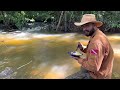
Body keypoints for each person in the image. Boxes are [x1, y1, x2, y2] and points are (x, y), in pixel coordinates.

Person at [66, 14, 114, 79]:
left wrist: (78, 59)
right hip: (104, 72)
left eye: (87, 26)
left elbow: (94, 67)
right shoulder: (97, 34)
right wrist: (82, 48)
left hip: (99, 76)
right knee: (83, 67)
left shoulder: (96, 42)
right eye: (83, 26)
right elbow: (93, 51)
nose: (84, 29)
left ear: (94, 25)